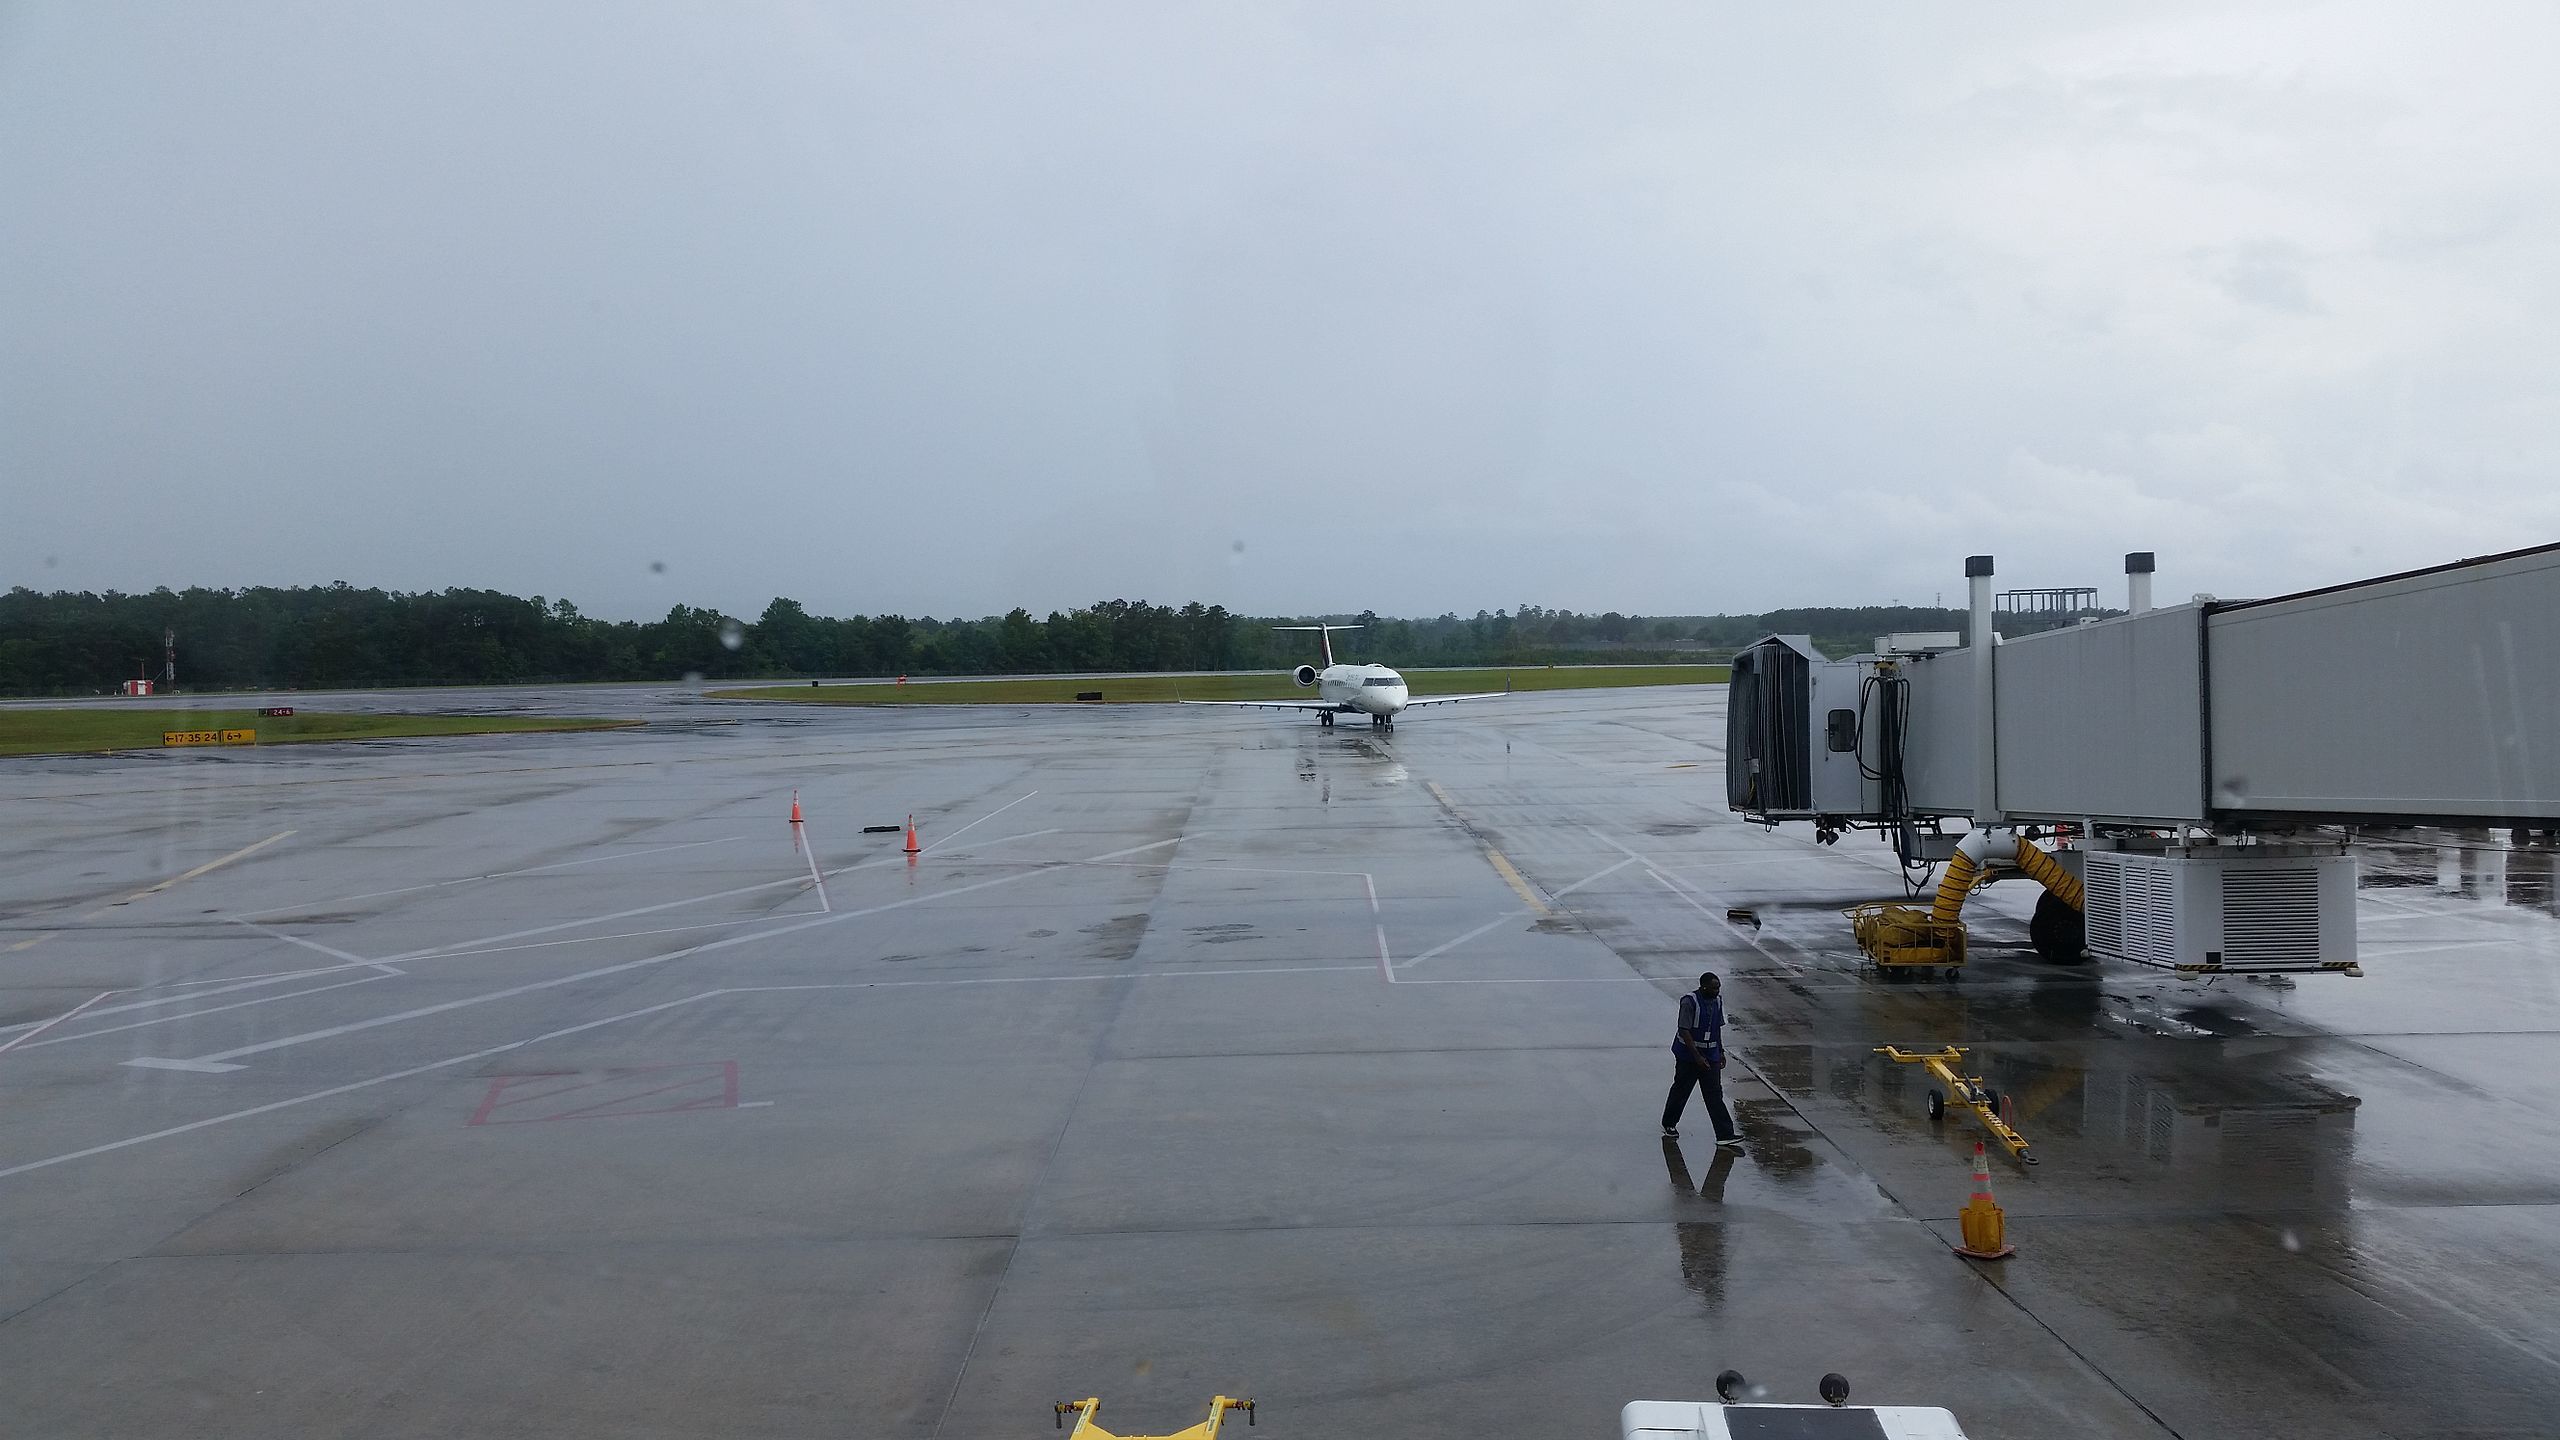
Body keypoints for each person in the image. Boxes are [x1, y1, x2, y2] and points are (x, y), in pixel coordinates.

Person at [1662, 971, 1741, 1148]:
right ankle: (1669, 1123)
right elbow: (1684, 1030)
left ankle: (1725, 1134)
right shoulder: (1689, 1002)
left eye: (1718, 987)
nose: (1717, 991)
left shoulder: (1718, 1001)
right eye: (1713, 988)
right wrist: (1697, 1057)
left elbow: (1716, 1029)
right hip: (1688, 1056)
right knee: (1681, 1090)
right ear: (1703, 987)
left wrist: (1720, 1052)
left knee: (1714, 1094)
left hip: (1711, 1055)